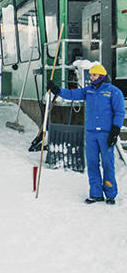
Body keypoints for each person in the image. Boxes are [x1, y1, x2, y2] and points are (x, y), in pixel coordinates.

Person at [47, 64, 125, 204]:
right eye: (90, 75)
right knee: (92, 163)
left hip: (106, 133)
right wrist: (57, 90)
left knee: (108, 163)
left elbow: (119, 112)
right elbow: (72, 94)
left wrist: (115, 130)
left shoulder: (114, 92)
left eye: (94, 75)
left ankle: (110, 193)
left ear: (101, 76)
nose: (91, 77)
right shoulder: (88, 91)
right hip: (90, 133)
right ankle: (95, 193)